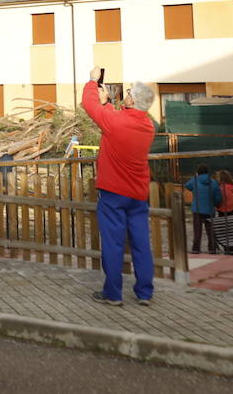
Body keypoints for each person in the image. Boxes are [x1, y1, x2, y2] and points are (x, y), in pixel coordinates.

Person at [81, 67, 156, 306]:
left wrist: (93, 82)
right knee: (141, 243)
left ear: (132, 100)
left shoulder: (115, 120)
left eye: (130, 92)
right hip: (138, 193)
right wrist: (108, 105)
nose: (126, 93)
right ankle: (144, 292)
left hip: (113, 192)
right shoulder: (148, 126)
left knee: (113, 244)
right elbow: (117, 121)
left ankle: (113, 293)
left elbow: (89, 105)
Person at [184, 164, 223, 254]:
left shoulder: (195, 180)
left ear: (198, 172)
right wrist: (216, 204)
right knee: (210, 231)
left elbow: (187, 186)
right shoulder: (213, 182)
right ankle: (212, 249)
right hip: (210, 210)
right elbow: (218, 198)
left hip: (197, 210)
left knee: (197, 231)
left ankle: (196, 249)